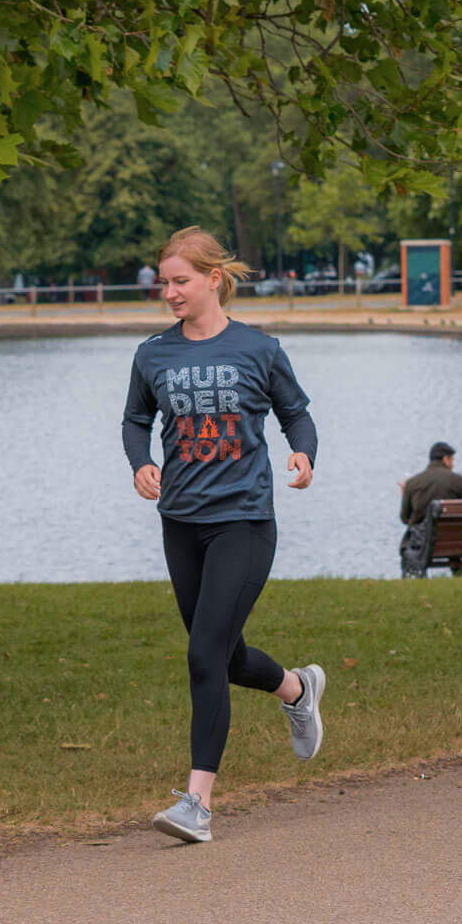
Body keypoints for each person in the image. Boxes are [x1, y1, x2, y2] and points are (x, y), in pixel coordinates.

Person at [121, 226, 324, 844]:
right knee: (222, 655)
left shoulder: (259, 349)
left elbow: (296, 414)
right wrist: (141, 463)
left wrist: (303, 454)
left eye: (181, 281)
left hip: (244, 522)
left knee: (203, 654)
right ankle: (297, 688)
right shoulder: (153, 354)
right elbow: (135, 420)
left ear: (214, 279)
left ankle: (197, 804)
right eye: (165, 283)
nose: (170, 293)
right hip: (181, 522)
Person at [398, 442, 462, 576]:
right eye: (452, 460)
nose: (453, 465)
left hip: (421, 542)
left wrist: (405, 496)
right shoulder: (457, 480)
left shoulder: (413, 483)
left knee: (408, 545)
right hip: (452, 540)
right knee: (452, 534)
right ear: (445, 459)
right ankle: (459, 575)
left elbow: (405, 518)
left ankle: (416, 577)